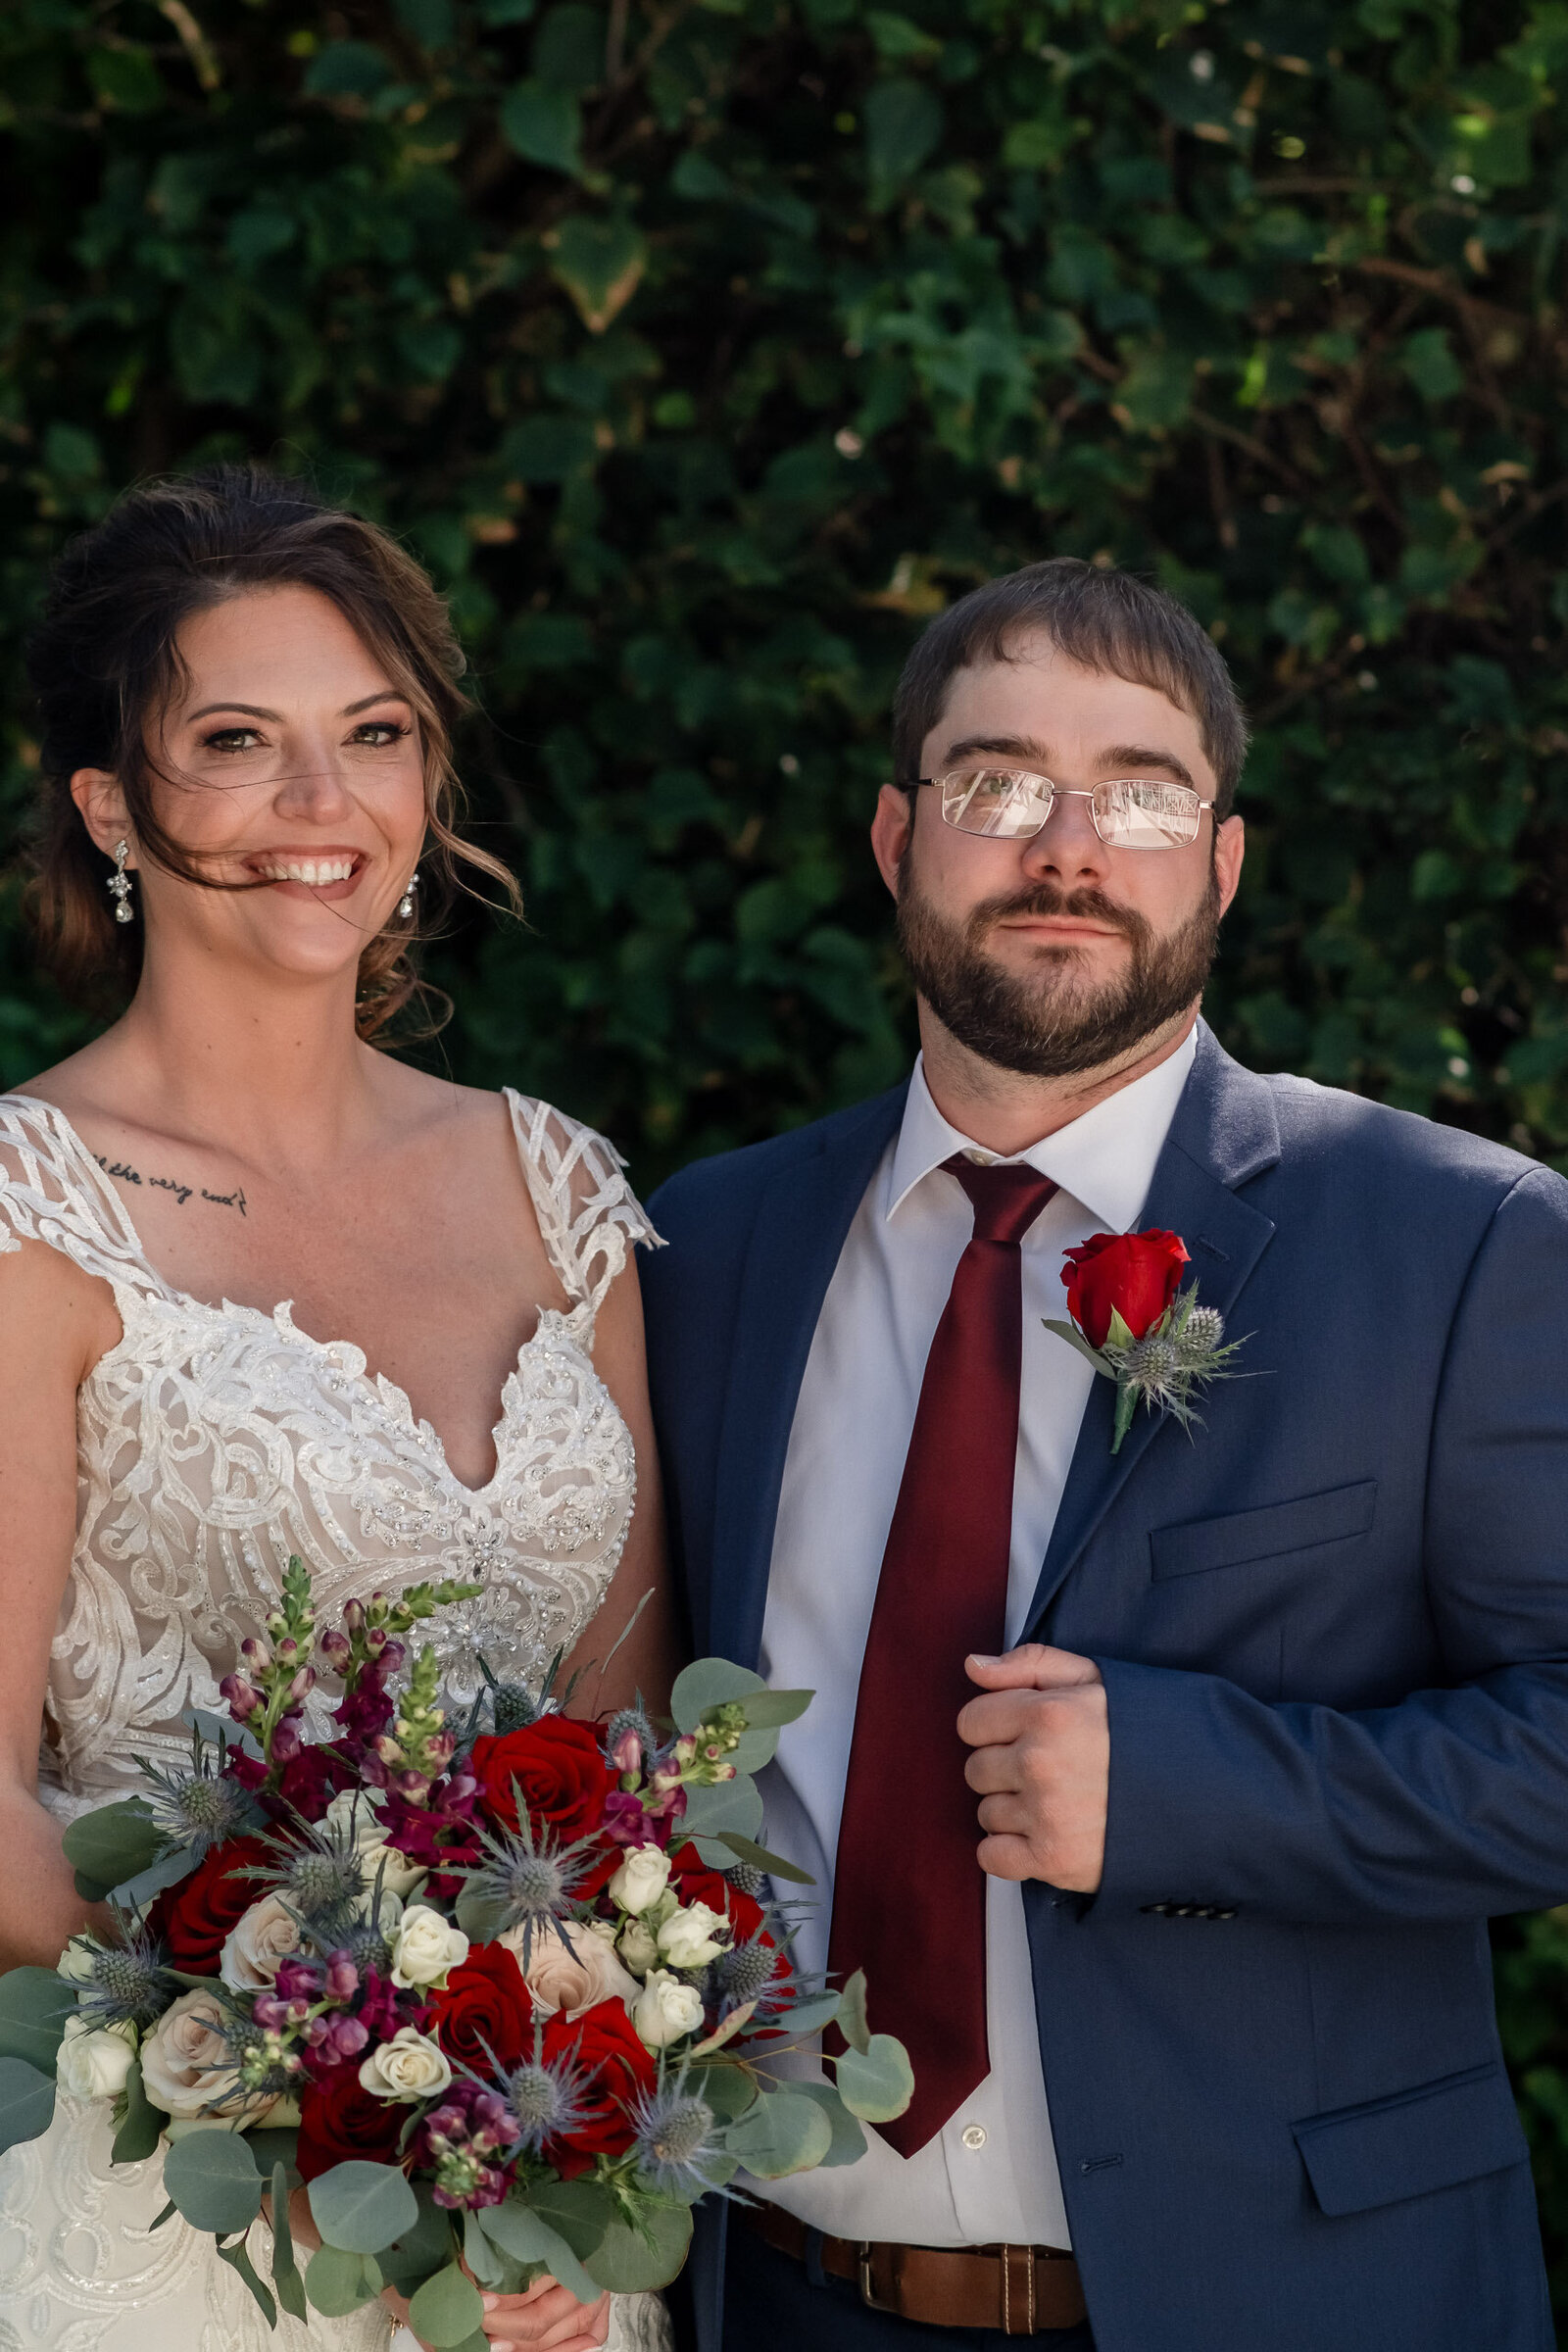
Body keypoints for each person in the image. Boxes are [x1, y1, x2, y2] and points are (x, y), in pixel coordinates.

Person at [640, 557, 1567, 2352]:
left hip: (1293, 2301)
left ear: (1219, 864)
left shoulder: (1465, 1246)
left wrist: (1186, 1788)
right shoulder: (712, 1248)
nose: (1067, 848)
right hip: (776, 2297)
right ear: (898, 836)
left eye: (1139, 792)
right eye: (997, 784)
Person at [0, 466, 674, 2352]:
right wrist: (342, 2091)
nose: (323, 807)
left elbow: (636, 1759)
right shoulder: (26, 1214)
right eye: (238, 742)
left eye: (374, 734)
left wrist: (566, 2126)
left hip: (538, 2227)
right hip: (185, 2204)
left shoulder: (558, 1189)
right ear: (114, 807)